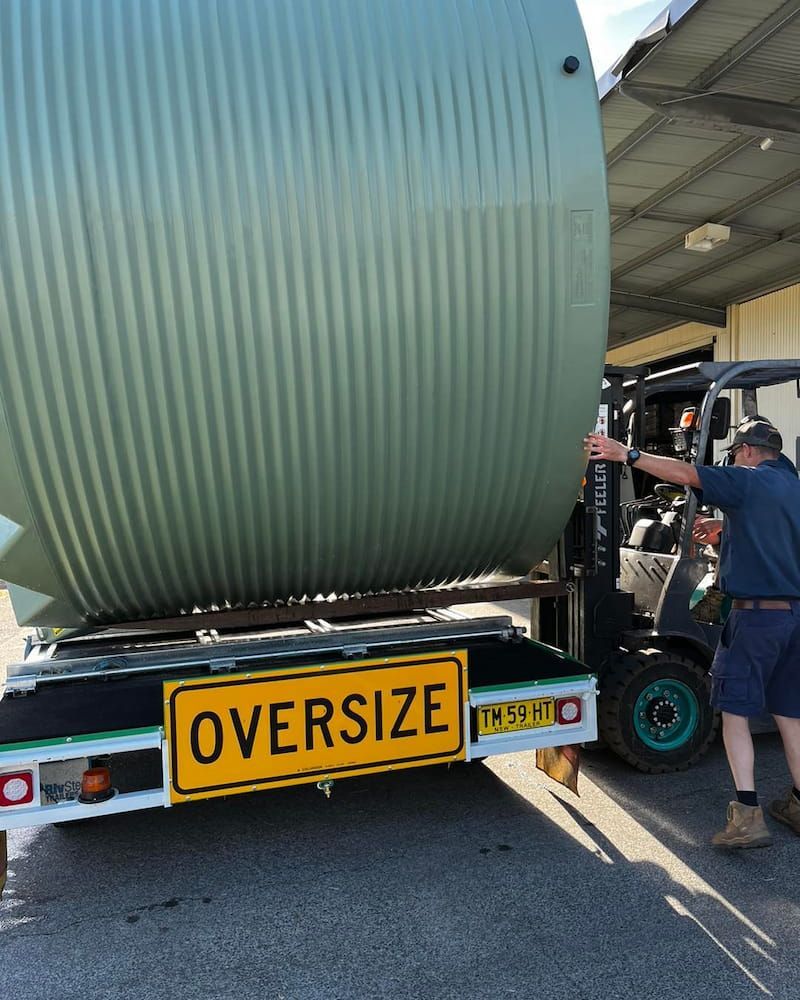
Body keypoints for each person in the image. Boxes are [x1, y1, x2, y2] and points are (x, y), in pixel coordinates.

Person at [586, 417, 800, 849]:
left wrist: (624, 453)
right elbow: (778, 537)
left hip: (755, 618)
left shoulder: (746, 480)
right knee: (791, 715)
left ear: (746, 451)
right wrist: (724, 532)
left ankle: (747, 817)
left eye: (737, 453)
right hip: (794, 619)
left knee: (734, 713)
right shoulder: (793, 488)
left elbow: (684, 474)